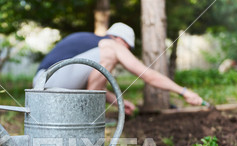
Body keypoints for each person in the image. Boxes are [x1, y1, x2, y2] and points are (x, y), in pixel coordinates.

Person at [33, 22, 203, 115]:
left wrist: (118, 102)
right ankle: (90, 117)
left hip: (45, 84)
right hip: (51, 81)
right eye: (127, 48)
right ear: (121, 40)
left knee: (105, 61)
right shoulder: (110, 45)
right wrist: (183, 91)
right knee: (110, 56)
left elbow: (87, 81)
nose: (126, 52)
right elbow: (147, 75)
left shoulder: (92, 47)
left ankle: (87, 115)